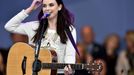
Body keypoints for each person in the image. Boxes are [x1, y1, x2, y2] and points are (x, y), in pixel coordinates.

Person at [4, 0, 76, 75]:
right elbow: (9, 26)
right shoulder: (34, 26)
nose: (47, 8)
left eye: (51, 5)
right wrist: (30, 9)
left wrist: (69, 71)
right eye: (44, 6)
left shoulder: (69, 30)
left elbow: (70, 55)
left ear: (59, 7)